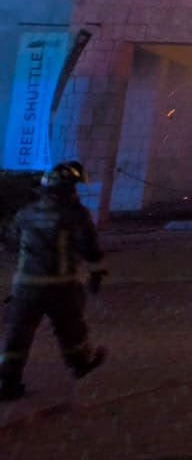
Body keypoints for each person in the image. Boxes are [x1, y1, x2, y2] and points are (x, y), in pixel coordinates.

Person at [1, 161, 109, 400]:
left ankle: (7, 382)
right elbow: (89, 247)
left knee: (18, 334)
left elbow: (12, 240)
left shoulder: (26, 213)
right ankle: (80, 364)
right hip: (61, 287)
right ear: (69, 189)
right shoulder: (75, 215)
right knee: (71, 328)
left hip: (26, 286)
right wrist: (96, 274)